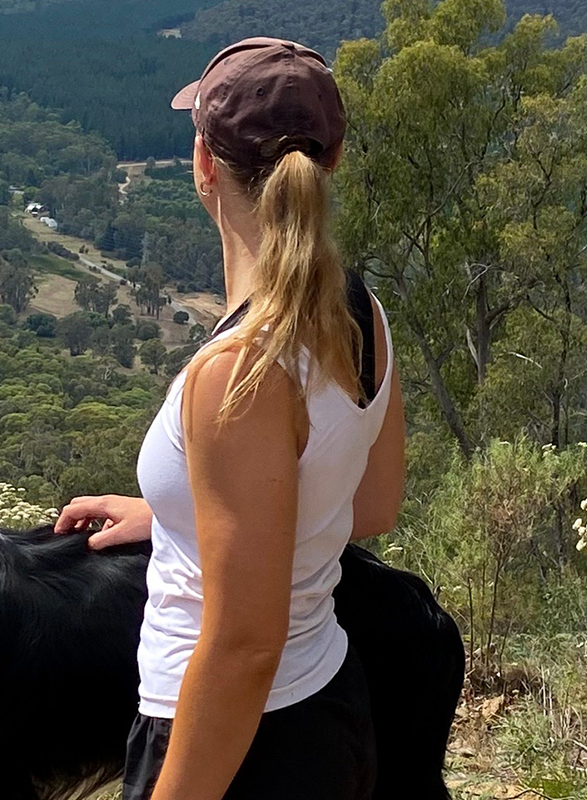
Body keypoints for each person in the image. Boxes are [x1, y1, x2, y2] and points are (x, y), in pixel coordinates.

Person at [54, 37, 407, 800]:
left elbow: (244, 646)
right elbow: (370, 506)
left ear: (204, 165)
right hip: (327, 709)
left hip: (227, 741)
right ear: (332, 159)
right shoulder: (359, 314)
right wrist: (186, 516)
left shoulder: (236, 371)